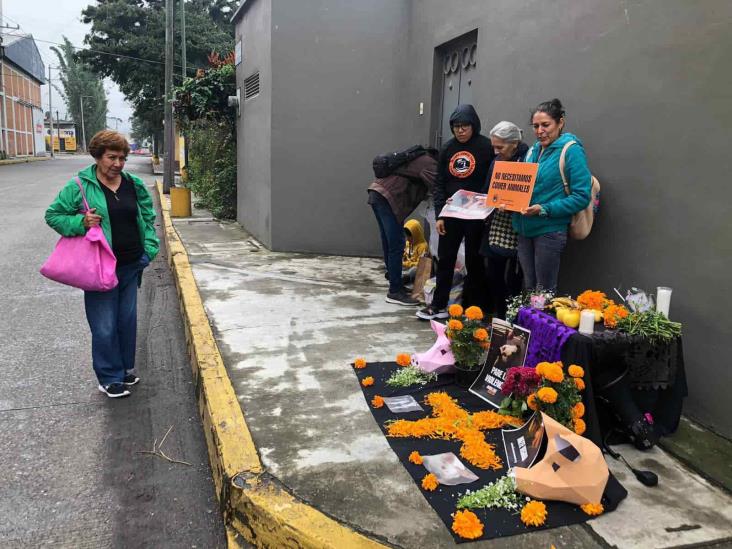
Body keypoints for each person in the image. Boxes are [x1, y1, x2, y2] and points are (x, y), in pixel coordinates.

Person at [45, 130, 159, 398]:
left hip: (132, 264)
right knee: (104, 324)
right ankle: (108, 376)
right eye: (111, 157)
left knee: (126, 321)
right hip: (99, 266)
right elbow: (53, 215)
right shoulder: (80, 186)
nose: (117, 164)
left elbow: (147, 216)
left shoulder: (133, 184)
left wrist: (149, 250)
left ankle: (122, 370)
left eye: (121, 158)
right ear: (98, 156)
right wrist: (80, 223)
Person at [417, 104, 494, 320]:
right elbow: (440, 183)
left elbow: (493, 178)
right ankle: (438, 305)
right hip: (451, 213)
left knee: (474, 260)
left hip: (477, 215)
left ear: (474, 125)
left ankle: (475, 309)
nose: (460, 130)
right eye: (456, 126)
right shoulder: (448, 148)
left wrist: (486, 206)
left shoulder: (486, 147)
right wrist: (441, 214)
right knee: (446, 258)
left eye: (465, 126)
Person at [514, 99, 591, 291]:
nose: (540, 131)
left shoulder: (571, 150)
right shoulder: (532, 150)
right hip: (524, 231)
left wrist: (545, 209)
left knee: (544, 291)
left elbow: (582, 196)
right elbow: (521, 186)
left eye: (545, 125)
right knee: (529, 287)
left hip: (549, 231)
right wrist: (507, 201)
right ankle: (526, 322)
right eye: (536, 126)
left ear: (560, 122)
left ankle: (541, 321)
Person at [368, 149, 437, 306]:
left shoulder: (415, 159)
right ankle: (394, 291)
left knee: (388, 241)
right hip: (387, 197)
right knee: (396, 244)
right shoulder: (430, 162)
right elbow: (437, 186)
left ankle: (396, 283)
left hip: (377, 193)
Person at [480, 121, 528, 319]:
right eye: (493, 146)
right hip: (496, 225)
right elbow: (486, 191)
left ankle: (512, 319)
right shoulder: (497, 160)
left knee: (514, 278)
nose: (495, 151)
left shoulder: (528, 159)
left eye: (500, 146)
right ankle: (499, 316)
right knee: (493, 275)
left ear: (514, 143)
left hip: (518, 225)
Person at [402, 218, 428, 283]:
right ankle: (397, 276)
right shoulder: (408, 243)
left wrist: (406, 264)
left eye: (410, 236)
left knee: (414, 270)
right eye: (406, 236)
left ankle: (404, 278)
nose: (407, 239)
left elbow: (421, 264)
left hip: (415, 268)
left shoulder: (423, 246)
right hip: (406, 266)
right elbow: (404, 256)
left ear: (416, 234)